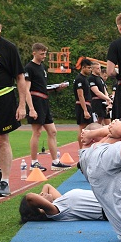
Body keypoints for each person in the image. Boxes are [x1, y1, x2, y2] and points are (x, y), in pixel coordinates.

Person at [0, 14, 35, 197]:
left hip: (2, 99)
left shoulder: (9, 48)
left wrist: (21, 105)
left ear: (0, 28)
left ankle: (4, 181)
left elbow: (20, 77)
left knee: (1, 140)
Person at [24, 43, 71, 171]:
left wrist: (56, 88)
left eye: (45, 53)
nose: (44, 55)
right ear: (34, 53)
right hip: (36, 102)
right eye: (41, 53)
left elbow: (42, 87)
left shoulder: (42, 68)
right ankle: (34, 162)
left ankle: (55, 161)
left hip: (44, 101)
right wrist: (31, 108)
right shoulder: (29, 68)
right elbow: (26, 90)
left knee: (53, 131)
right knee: (37, 132)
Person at [74, 58, 93, 148]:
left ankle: (86, 147)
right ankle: (81, 149)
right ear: (83, 67)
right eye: (89, 68)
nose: (90, 70)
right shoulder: (79, 79)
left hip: (87, 105)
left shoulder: (85, 79)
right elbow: (80, 95)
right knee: (82, 128)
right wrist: (85, 110)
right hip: (82, 105)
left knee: (87, 128)